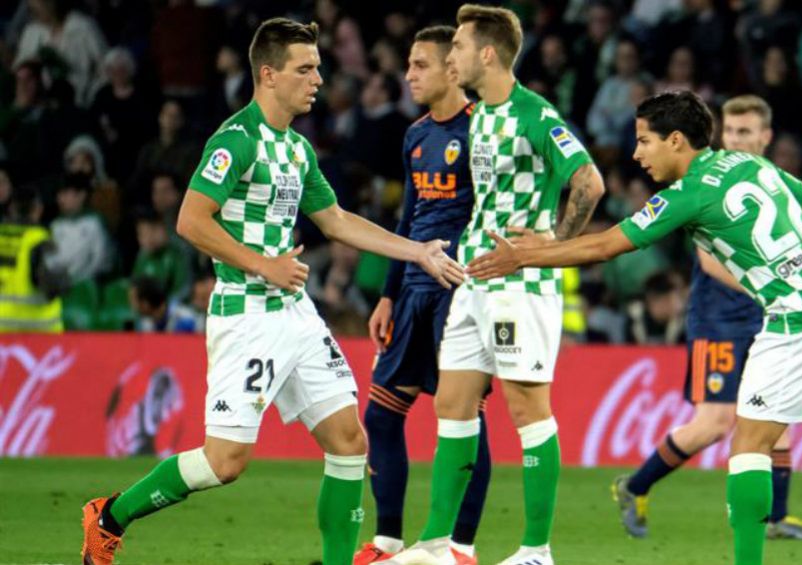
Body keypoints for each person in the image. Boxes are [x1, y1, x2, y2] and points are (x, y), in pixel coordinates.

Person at [467, 90, 802, 565]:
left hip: (798, 318)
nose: (636, 154)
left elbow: (606, 246)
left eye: (644, 141)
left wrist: (526, 254)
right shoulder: (749, 163)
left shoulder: (688, 195)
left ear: (676, 140)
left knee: (747, 446)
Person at [80, 18, 464, 565]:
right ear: (268, 74)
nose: (317, 79)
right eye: (305, 69)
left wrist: (418, 250)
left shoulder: (297, 150)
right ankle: (110, 515)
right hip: (246, 314)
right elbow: (191, 220)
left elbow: (334, 219)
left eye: (318, 68)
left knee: (349, 442)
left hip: (295, 314)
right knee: (225, 463)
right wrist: (263, 263)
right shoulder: (235, 140)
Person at [386, 5, 605, 565]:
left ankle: (537, 550)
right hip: (473, 285)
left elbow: (589, 182)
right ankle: (439, 545)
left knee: (528, 410)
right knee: (453, 406)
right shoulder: (481, 115)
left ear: (487, 53)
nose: (450, 55)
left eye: (456, 46)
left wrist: (549, 248)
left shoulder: (536, 114)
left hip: (519, 287)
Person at [611, 95, 802, 541]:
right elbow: (711, 263)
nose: (736, 140)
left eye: (745, 132)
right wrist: (772, 291)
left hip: (767, 314)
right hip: (720, 320)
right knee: (714, 422)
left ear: (766, 137)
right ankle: (634, 486)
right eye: (730, 132)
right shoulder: (704, 184)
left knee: (777, 413)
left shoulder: (764, 178)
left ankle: (775, 517)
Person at [353, 26, 489, 565]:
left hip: (458, 291)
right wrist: (388, 294)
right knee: (383, 416)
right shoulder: (414, 135)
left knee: (462, 421)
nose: (408, 74)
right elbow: (407, 217)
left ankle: (461, 547)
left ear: (452, 70)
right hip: (411, 293)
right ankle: (388, 540)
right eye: (408, 65)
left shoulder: (483, 129)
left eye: (419, 65)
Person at [0, 185, 66, 333]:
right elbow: (57, 283)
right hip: (36, 332)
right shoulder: (40, 241)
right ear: (38, 209)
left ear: (11, 208)